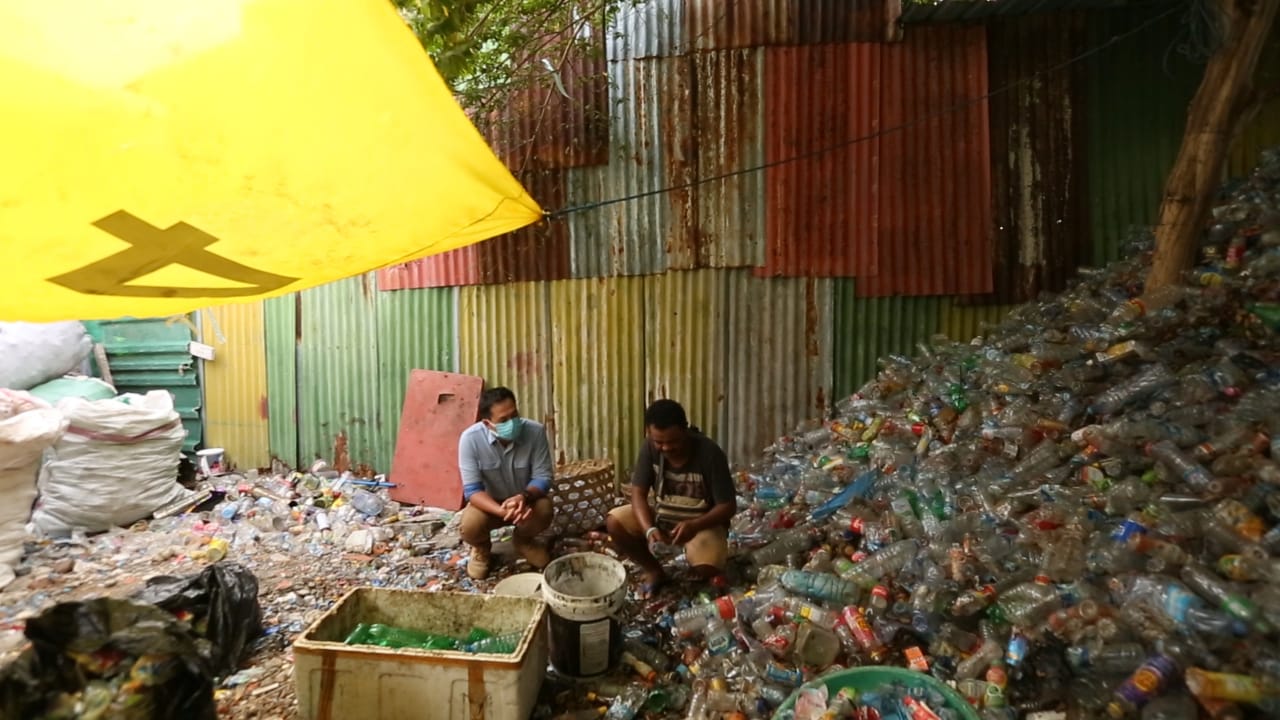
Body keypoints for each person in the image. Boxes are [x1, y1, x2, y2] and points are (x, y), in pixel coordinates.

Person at [606, 399, 737, 597]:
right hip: (662, 520)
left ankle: (691, 567)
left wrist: (694, 525)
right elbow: (638, 494)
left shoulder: (709, 454)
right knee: (614, 521)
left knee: (707, 568)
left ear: (685, 430)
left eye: (673, 441)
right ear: (649, 435)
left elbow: (727, 506)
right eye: (659, 442)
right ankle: (654, 570)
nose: (666, 448)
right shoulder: (649, 448)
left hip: (701, 526)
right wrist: (649, 530)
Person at [457, 386, 554, 579]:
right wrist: (502, 511)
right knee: (470, 526)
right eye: (503, 420)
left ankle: (523, 541)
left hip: (525, 502)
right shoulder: (470, 440)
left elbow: (543, 477)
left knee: (544, 509)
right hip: (490, 504)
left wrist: (524, 497)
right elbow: (473, 491)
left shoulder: (535, 432)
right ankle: (482, 548)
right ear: (487, 423)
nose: (512, 423)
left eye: (514, 415)